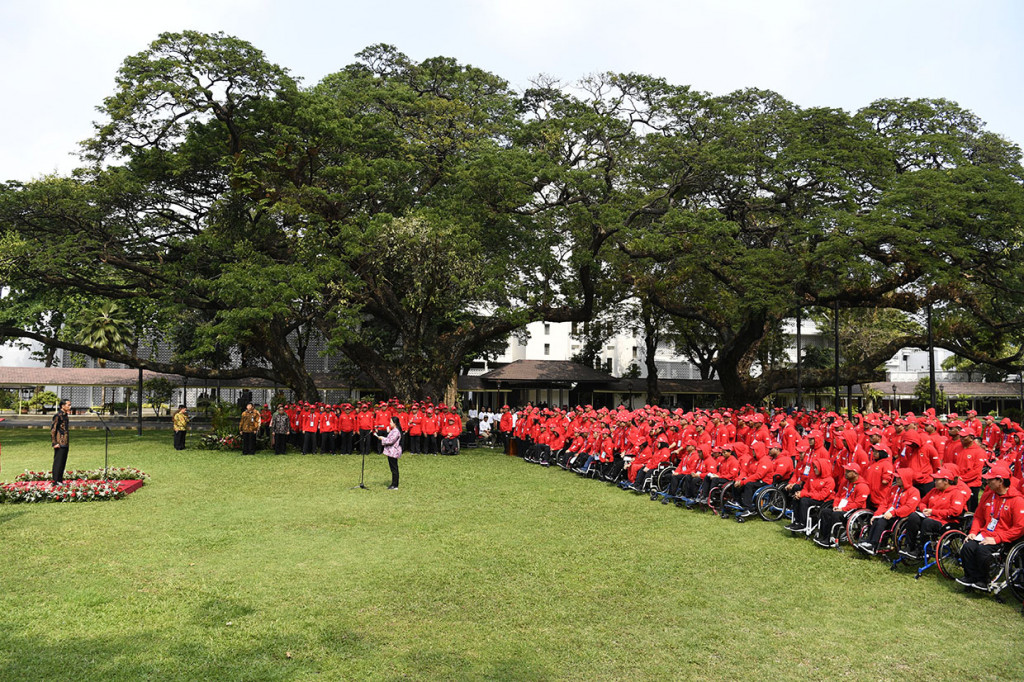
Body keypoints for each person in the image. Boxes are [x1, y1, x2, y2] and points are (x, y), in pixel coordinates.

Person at [956, 463, 1024, 591]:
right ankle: (971, 577)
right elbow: (978, 517)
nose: (986, 481)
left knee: (983, 550)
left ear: (1000, 481)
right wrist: (973, 532)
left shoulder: (1017, 501)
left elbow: (1019, 527)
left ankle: (983, 580)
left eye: (990, 479)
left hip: (1003, 538)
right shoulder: (988, 496)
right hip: (985, 533)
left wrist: (997, 538)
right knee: (967, 547)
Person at [376, 416, 403, 490]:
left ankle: (395, 485)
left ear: (395, 423)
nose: (390, 423)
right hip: (391, 451)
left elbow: (391, 441)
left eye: (391, 422)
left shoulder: (396, 431)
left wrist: (382, 438)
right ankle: (393, 483)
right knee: (393, 468)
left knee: (394, 468)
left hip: (393, 452)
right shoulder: (393, 430)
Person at [50, 398, 71, 485]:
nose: (70, 406)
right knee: (58, 462)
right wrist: (54, 443)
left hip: (65, 442)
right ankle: (55, 481)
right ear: (63, 406)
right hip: (59, 442)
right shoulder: (58, 416)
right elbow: (53, 430)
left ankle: (60, 480)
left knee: (63, 462)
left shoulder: (65, 415)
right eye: (68, 405)